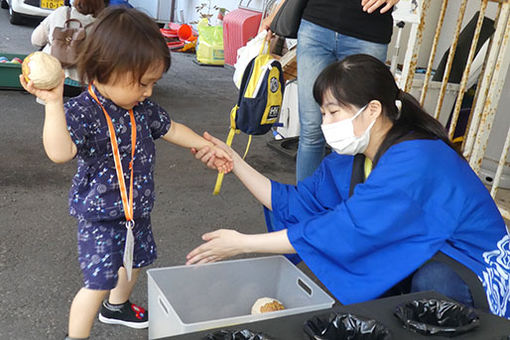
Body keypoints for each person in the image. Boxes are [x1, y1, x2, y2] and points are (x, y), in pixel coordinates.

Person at [187, 54, 510, 319]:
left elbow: (348, 228)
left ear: (372, 109)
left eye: (333, 112)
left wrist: (243, 243)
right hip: (422, 255)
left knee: (428, 283)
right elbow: (296, 203)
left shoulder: (418, 158)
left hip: (469, 269)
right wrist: (236, 163)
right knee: (382, 283)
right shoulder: (350, 159)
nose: (325, 123)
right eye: (323, 113)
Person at [20, 7, 232, 340]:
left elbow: (171, 127)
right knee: (97, 284)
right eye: (144, 83)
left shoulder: (142, 107)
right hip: (100, 218)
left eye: (153, 83)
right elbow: (60, 153)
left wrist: (205, 147)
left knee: (135, 262)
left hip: (136, 210)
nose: (149, 91)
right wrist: (52, 104)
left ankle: (117, 307)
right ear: (107, 70)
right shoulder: (82, 111)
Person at [260, 0, 399, 182]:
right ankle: (307, 204)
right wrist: (274, 15)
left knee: (357, 133)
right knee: (311, 131)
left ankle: (345, 206)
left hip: (368, 32)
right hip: (315, 26)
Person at [30, 0, 105, 97]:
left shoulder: (61, 12)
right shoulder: (101, 25)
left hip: (51, 79)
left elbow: (36, 40)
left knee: (51, 109)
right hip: (82, 85)